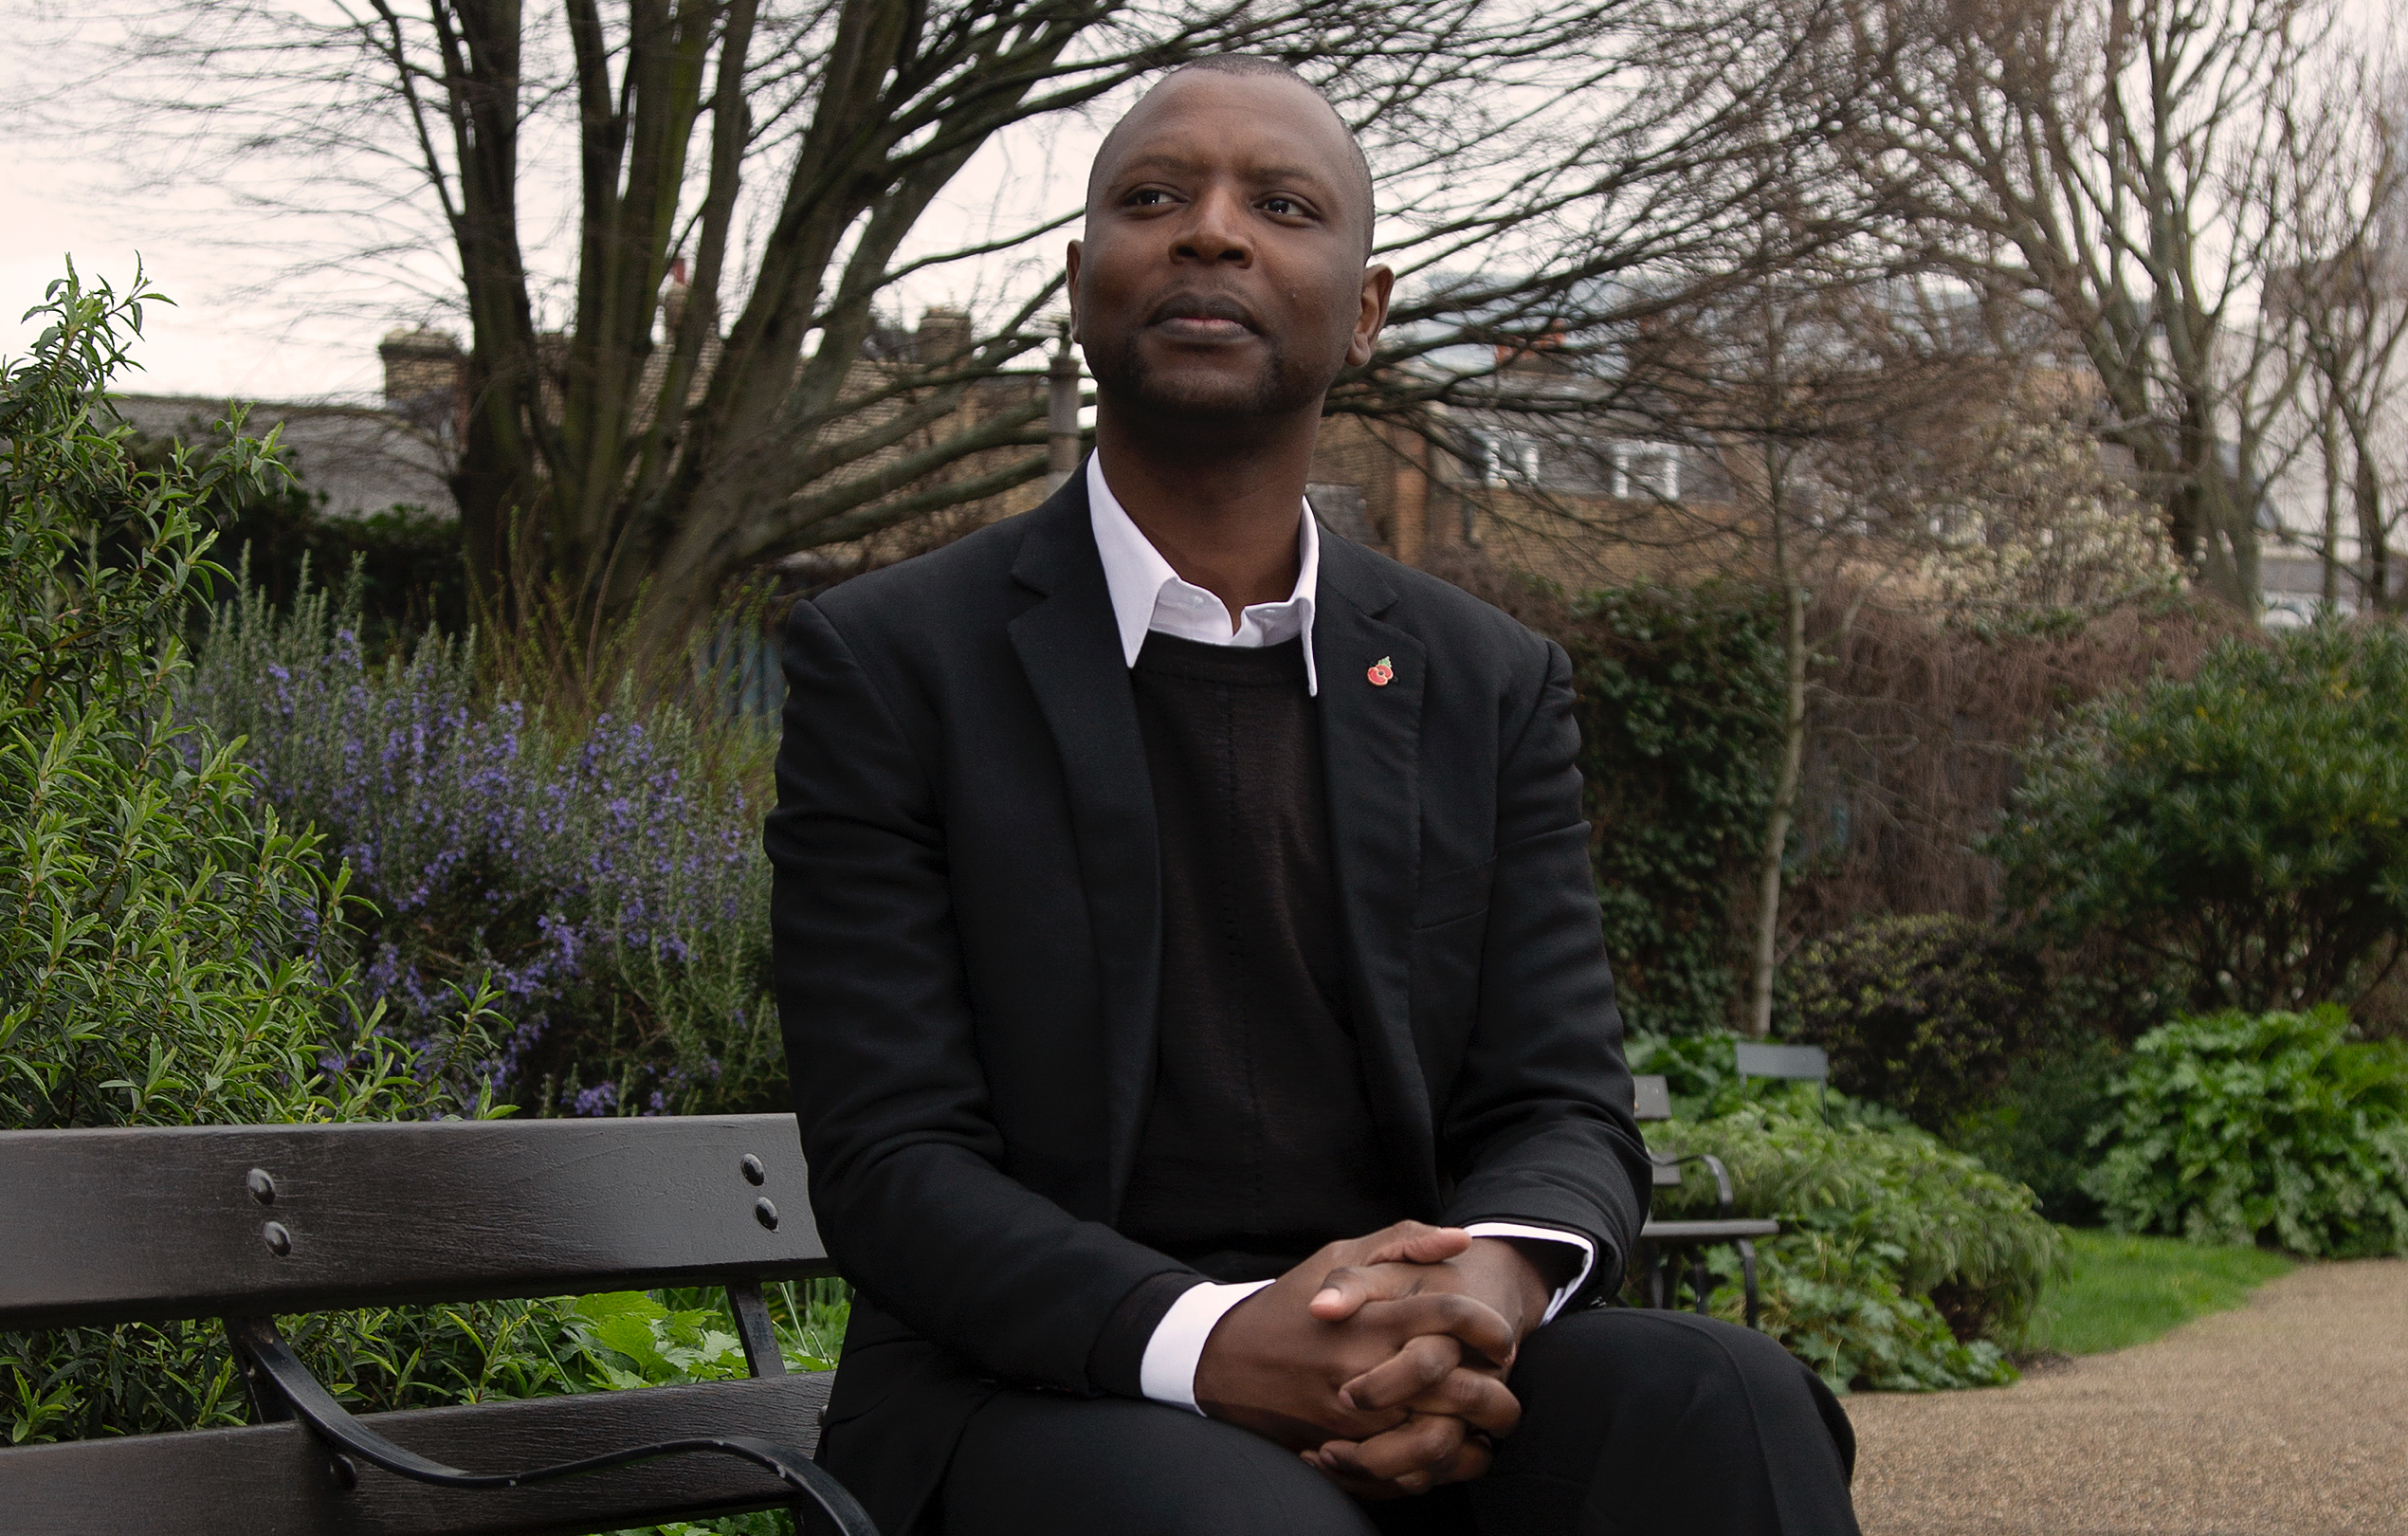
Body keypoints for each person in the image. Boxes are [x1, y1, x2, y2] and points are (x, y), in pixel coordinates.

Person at [764, 55, 1861, 1536]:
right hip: (1029, 1390)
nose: (1211, 232)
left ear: (1366, 311)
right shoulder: (895, 663)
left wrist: (1482, 1297)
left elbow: (1561, 1105)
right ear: (1080, 283)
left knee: (1723, 1400)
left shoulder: (1486, 682)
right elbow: (894, 1160)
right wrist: (1218, 1341)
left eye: (1282, 206)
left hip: (1396, 1353)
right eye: (1154, 198)